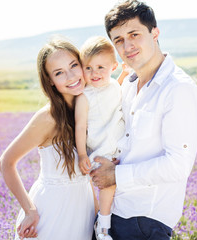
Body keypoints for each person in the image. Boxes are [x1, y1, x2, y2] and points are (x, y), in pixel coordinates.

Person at [90, 1, 197, 239]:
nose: (127, 45)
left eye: (134, 34)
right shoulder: (129, 86)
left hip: (145, 223)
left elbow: (178, 165)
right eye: (118, 40)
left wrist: (115, 176)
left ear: (155, 33)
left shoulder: (178, 89)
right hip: (112, 214)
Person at [0, 37, 96, 240]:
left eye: (73, 65)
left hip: (82, 211)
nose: (71, 76)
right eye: (59, 73)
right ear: (50, 80)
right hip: (51, 212)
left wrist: (98, 217)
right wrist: (29, 210)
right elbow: (6, 163)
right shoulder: (48, 117)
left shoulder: (88, 106)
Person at [75, 36, 127, 240]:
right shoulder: (84, 96)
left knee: (120, 186)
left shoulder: (114, 85)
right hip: (100, 148)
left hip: (118, 144)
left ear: (113, 66)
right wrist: (81, 154)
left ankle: (108, 218)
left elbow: (116, 92)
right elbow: (80, 127)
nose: (94, 73)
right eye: (88, 68)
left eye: (100, 67)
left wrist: (123, 74)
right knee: (108, 185)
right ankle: (103, 226)